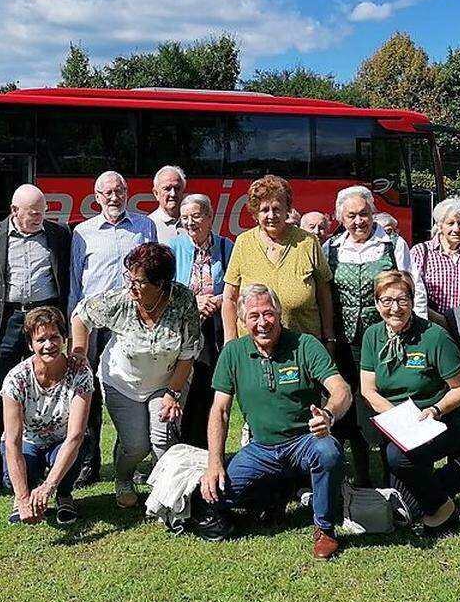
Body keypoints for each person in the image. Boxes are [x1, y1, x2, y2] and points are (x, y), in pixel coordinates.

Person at [200, 284, 352, 560]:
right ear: (243, 321)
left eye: (268, 314)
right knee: (215, 496)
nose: (262, 323)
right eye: (254, 316)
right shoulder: (233, 353)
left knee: (328, 451)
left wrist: (328, 415)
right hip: (262, 448)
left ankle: (325, 529)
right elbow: (220, 411)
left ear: (280, 313)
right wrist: (215, 462)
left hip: (305, 441)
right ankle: (275, 494)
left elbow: (342, 390)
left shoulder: (305, 345)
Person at [71, 242, 202, 508]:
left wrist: (172, 394)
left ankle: (168, 494)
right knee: (136, 445)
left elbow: (188, 352)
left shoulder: (183, 301)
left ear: (161, 283)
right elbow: (81, 315)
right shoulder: (120, 301)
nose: (131, 286)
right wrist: (80, 352)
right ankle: (123, 478)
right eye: (129, 278)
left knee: (162, 439)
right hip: (122, 382)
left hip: (166, 382)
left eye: (139, 282)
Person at [0, 184, 71, 499]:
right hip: (6, 323)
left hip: (45, 322)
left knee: (54, 396)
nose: (39, 218)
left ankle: (60, 469)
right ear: (14, 211)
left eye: (42, 212)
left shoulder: (59, 235)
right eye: (32, 213)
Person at [359, 271, 460, 533]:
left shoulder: (435, 337)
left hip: (441, 421)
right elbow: (368, 390)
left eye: (402, 300)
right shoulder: (372, 336)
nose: (394, 308)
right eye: (386, 301)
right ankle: (458, 475)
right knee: (405, 508)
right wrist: (400, 420)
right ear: (377, 304)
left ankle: (445, 509)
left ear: (412, 301)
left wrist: (435, 410)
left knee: (398, 458)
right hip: (399, 424)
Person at [70, 170, 158, 486]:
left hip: (131, 323)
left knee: (133, 387)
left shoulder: (145, 227)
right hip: (93, 324)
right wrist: (74, 327)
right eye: (106, 192)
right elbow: (75, 281)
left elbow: (156, 273)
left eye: (118, 191)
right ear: (96, 197)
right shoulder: (82, 233)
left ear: (127, 193)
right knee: (87, 390)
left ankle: (131, 458)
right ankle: (87, 464)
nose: (113, 197)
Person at [324, 186, 412, 487]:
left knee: (386, 404)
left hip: (385, 341)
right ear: (340, 217)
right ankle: (360, 476)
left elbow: (415, 291)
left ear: (373, 213)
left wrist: (414, 333)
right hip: (343, 344)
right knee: (349, 410)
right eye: (351, 216)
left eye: (364, 214)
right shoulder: (331, 248)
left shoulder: (392, 245)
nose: (359, 221)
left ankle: (395, 476)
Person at [409, 197, 460, 469]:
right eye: (451, 223)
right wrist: (446, 322)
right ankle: (426, 461)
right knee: (436, 395)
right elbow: (415, 296)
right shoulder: (421, 253)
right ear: (439, 225)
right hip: (431, 336)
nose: (456, 228)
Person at [1, 306, 92, 526]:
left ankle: (63, 495)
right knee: (11, 477)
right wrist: (23, 498)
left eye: (54, 337)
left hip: (63, 440)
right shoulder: (16, 379)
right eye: (41, 339)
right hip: (28, 441)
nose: (49, 345)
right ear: (31, 344)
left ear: (64, 339)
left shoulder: (80, 373)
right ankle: (24, 498)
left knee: (75, 449)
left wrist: (49, 486)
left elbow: (75, 435)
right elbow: (13, 442)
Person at [222, 175, 333, 344]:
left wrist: (329, 336)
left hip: (303, 343)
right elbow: (230, 297)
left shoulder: (308, 242)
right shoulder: (243, 243)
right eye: (265, 210)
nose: (271, 215)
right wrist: (230, 343)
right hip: (253, 345)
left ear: (287, 209)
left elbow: (324, 292)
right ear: (255, 213)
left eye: (277, 208)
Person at [167, 194, 234, 448]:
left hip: (215, 328)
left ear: (209, 217)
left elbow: (235, 286)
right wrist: (194, 302)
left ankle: (208, 445)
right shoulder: (173, 248)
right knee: (183, 386)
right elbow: (166, 289)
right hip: (184, 326)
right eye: (185, 218)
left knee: (208, 387)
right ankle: (180, 445)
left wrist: (215, 301)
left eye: (195, 216)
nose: (190, 222)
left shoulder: (227, 246)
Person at [148, 165, 186, 244]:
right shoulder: (148, 225)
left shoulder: (192, 223)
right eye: (167, 189)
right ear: (156, 193)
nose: (173, 194)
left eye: (177, 188)